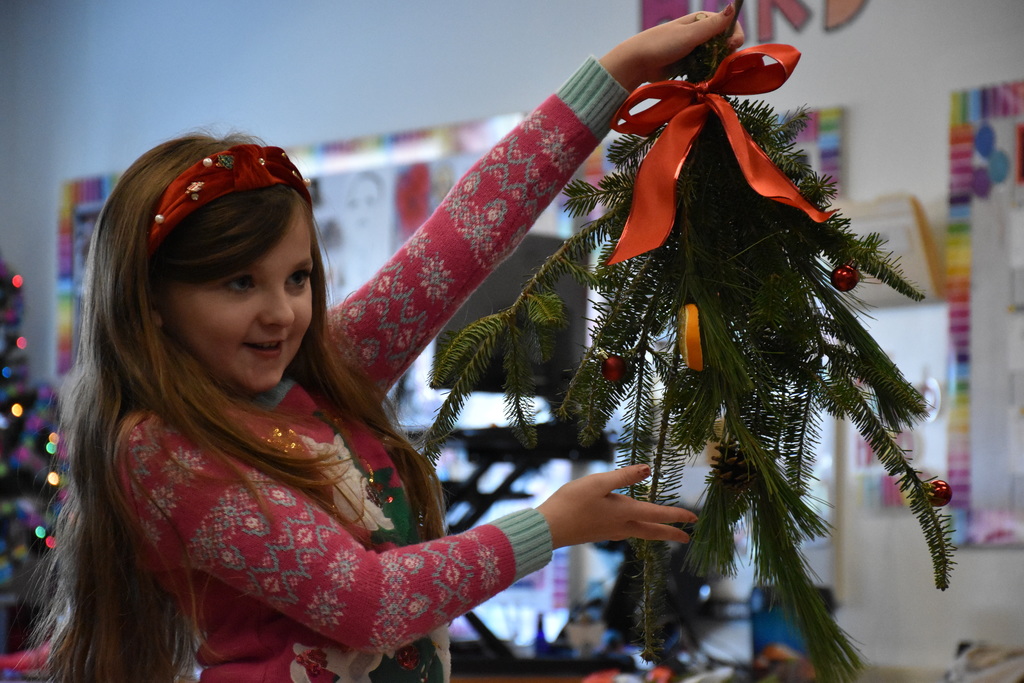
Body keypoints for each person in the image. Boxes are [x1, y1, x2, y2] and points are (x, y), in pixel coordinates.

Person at [39, 8, 744, 682]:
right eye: (238, 284)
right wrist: (550, 526)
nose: (281, 312)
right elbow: (369, 603)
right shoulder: (160, 448)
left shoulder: (318, 371)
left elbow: (469, 232)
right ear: (152, 301)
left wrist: (618, 72)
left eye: (297, 278)